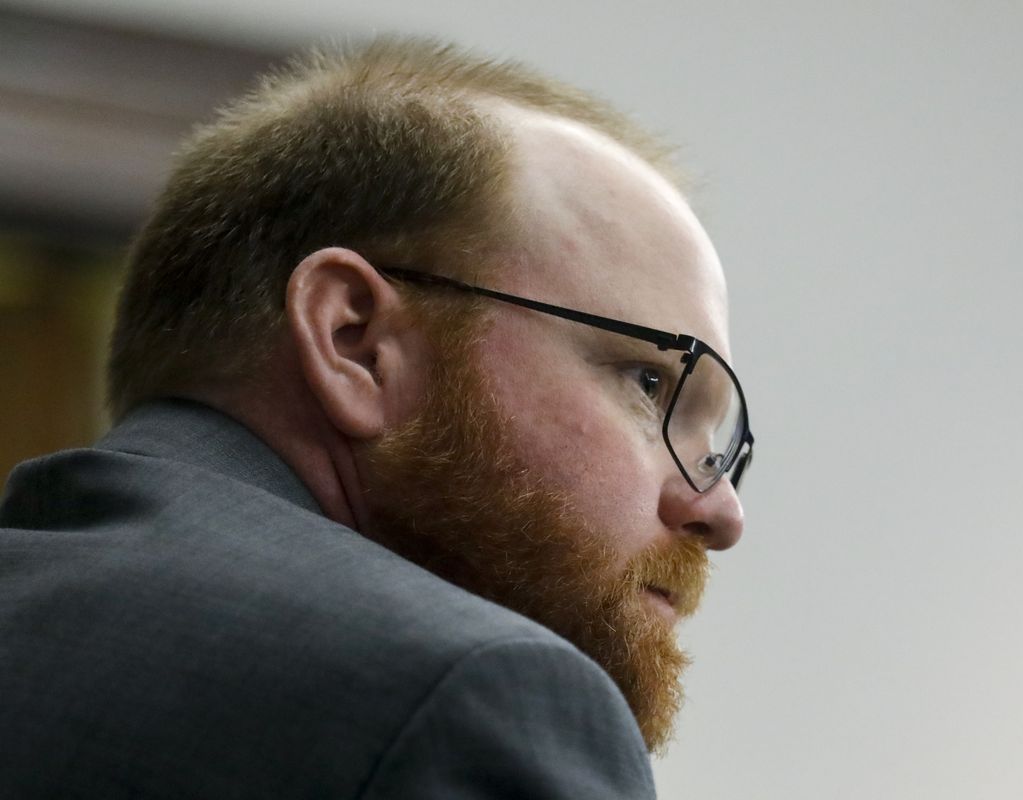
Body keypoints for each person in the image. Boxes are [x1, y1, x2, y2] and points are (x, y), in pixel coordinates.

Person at [0, 37, 752, 798]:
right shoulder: (464, 699)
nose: (720, 510)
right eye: (650, 383)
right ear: (354, 341)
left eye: (719, 444)